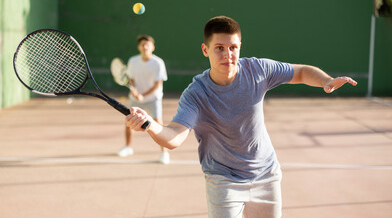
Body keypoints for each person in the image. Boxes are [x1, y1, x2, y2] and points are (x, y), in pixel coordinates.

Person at [125, 16, 357, 217]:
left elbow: (301, 71)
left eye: (233, 47)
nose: (228, 54)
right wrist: (150, 124)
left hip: (266, 174)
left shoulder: (258, 70)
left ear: (239, 47)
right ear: (206, 50)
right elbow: (174, 137)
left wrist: (326, 81)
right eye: (219, 48)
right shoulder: (196, 94)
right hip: (223, 180)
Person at [117, 34, 170, 164]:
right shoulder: (133, 61)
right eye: (142, 44)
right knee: (129, 121)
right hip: (135, 98)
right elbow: (131, 80)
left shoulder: (158, 63)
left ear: (153, 47)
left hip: (153, 98)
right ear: (139, 47)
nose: (145, 46)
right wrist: (133, 90)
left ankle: (164, 152)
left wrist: (143, 95)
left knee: (158, 123)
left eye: (147, 44)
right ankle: (128, 147)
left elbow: (158, 84)